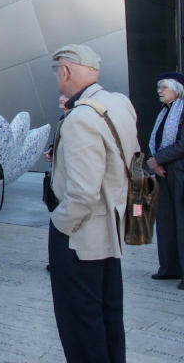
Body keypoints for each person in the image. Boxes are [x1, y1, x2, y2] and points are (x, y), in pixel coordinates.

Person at [48, 44, 139, 363]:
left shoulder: (80, 118)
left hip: (81, 236)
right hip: (111, 230)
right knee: (108, 314)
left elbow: (82, 194)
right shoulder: (118, 103)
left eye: (57, 70)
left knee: (80, 322)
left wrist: (59, 224)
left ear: (65, 71)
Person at [146, 72, 184, 289]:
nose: (159, 91)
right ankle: (170, 268)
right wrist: (155, 161)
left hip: (179, 173)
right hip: (164, 174)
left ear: (176, 89)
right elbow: (157, 141)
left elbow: (181, 144)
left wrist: (157, 160)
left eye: (163, 88)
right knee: (166, 222)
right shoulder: (165, 112)